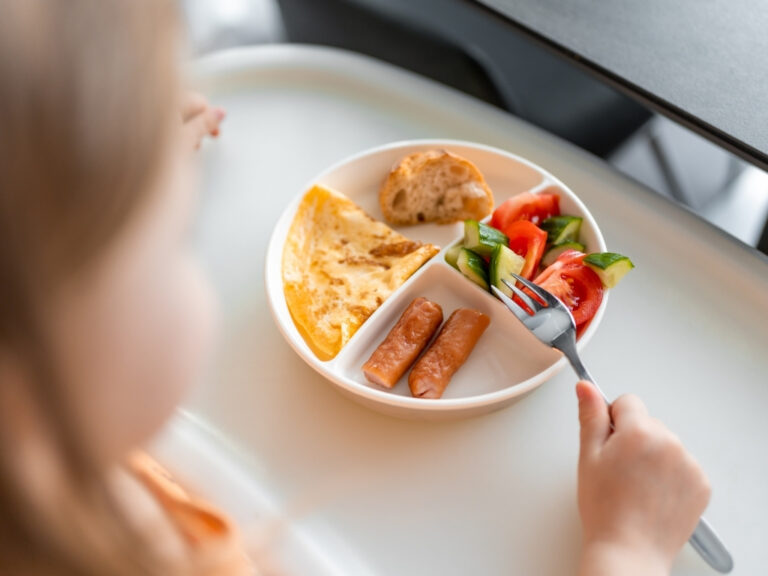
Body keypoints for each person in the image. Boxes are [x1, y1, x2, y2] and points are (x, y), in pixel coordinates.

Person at [0, 1, 711, 575]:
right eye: (176, 235)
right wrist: (626, 554)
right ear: (38, 338)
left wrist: (113, 157)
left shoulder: (62, 477)